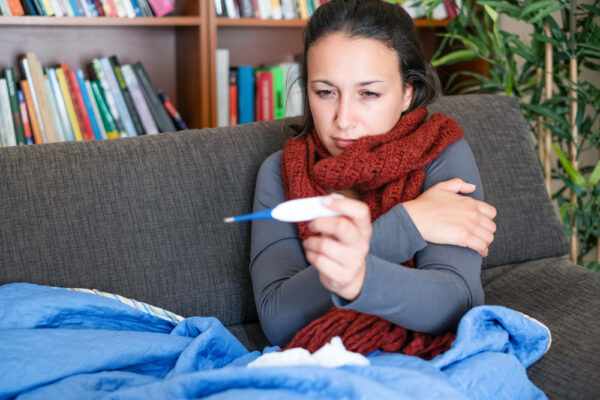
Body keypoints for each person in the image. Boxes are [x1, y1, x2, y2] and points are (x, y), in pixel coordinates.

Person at [250, 0, 497, 352]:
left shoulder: (439, 152)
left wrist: (358, 275)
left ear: (406, 94)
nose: (344, 118)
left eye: (368, 93)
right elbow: (278, 319)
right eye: (325, 92)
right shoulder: (280, 171)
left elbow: (457, 301)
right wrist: (408, 223)